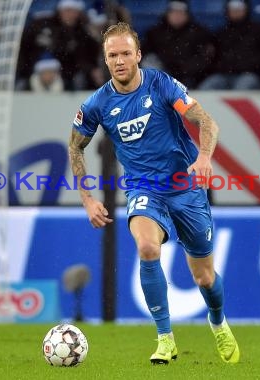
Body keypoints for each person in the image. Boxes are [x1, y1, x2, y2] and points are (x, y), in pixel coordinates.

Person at [68, 22, 240, 365]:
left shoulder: (161, 85)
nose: (119, 61)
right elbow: (75, 148)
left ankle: (218, 321)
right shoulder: (97, 104)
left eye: (125, 54)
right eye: (112, 55)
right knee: (147, 248)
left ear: (138, 55)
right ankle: (165, 339)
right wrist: (88, 199)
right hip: (143, 187)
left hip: (185, 186)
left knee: (203, 277)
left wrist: (204, 157)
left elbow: (207, 121)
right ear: (105, 59)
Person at [15, 0, 101, 91]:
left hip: (66, 77)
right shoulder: (41, 25)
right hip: (32, 71)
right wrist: (28, 69)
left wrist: (91, 70)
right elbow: (24, 48)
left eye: (75, 12)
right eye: (68, 10)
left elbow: (83, 58)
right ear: (60, 11)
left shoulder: (82, 33)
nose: (71, 15)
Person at [198, 0, 260, 90]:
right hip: (224, 75)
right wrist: (224, 67)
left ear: (246, 10)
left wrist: (250, 65)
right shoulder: (221, 33)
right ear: (227, 11)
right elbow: (213, 58)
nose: (235, 12)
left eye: (239, 9)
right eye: (232, 10)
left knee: (242, 87)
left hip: (252, 75)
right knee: (207, 87)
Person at [141, 0, 214, 89]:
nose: (177, 16)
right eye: (174, 12)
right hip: (163, 77)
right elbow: (144, 55)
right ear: (167, 14)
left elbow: (204, 58)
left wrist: (183, 69)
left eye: (180, 12)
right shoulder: (155, 33)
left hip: (189, 77)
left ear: (187, 15)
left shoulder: (199, 33)